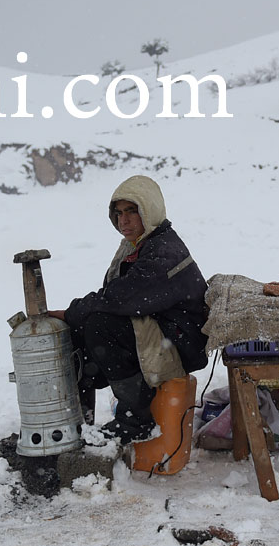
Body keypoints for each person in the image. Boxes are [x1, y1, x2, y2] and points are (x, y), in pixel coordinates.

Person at [48, 174, 209, 444]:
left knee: (99, 324)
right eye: (119, 213)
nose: (124, 220)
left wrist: (70, 312)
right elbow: (116, 297)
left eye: (132, 211)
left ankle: (135, 420)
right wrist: (75, 318)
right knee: (80, 331)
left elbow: (119, 299)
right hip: (162, 331)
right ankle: (78, 422)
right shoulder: (138, 244)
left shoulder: (164, 251)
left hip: (182, 343)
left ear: (150, 209)